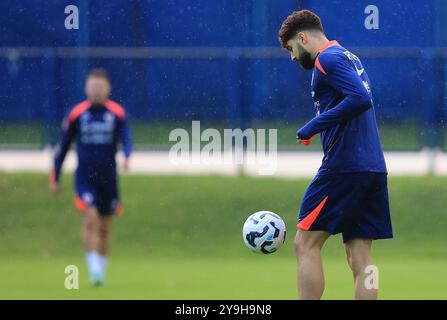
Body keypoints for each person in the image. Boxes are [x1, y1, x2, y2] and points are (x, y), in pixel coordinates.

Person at [278, 9, 393, 300]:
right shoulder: (349, 57)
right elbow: (358, 99)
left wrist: (312, 126)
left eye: (292, 48)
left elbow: (360, 99)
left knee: (305, 244)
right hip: (372, 168)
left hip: (344, 167)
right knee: (360, 259)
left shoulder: (326, 59)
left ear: (302, 37)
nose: (292, 57)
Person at [49, 68, 132, 286]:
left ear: (108, 89)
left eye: (100, 87)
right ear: (87, 88)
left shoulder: (117, 113)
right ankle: (93, 268)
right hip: (85, 177)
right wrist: (55, 177)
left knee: (105, 226)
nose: (96, 91)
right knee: (91, 217)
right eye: (92, 87)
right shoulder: (77, 114)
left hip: (109, 178)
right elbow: (63, 147)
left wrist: (127, 155)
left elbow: (127, 138)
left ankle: (99, 272)